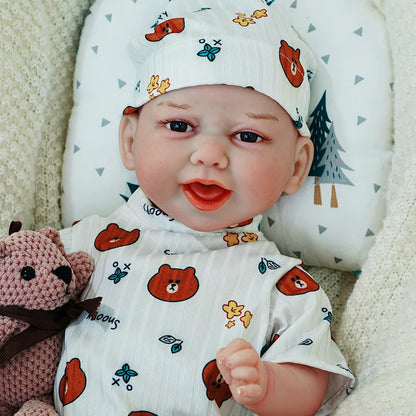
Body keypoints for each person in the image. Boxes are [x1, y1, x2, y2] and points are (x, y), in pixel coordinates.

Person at [54, 1, 354, 415]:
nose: (211, 154)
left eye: (248, 136)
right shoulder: (85, 243)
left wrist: (269, 385)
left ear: (297, 165)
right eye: (180, 126)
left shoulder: (282, 285)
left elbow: (310, 385)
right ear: (129, 140)